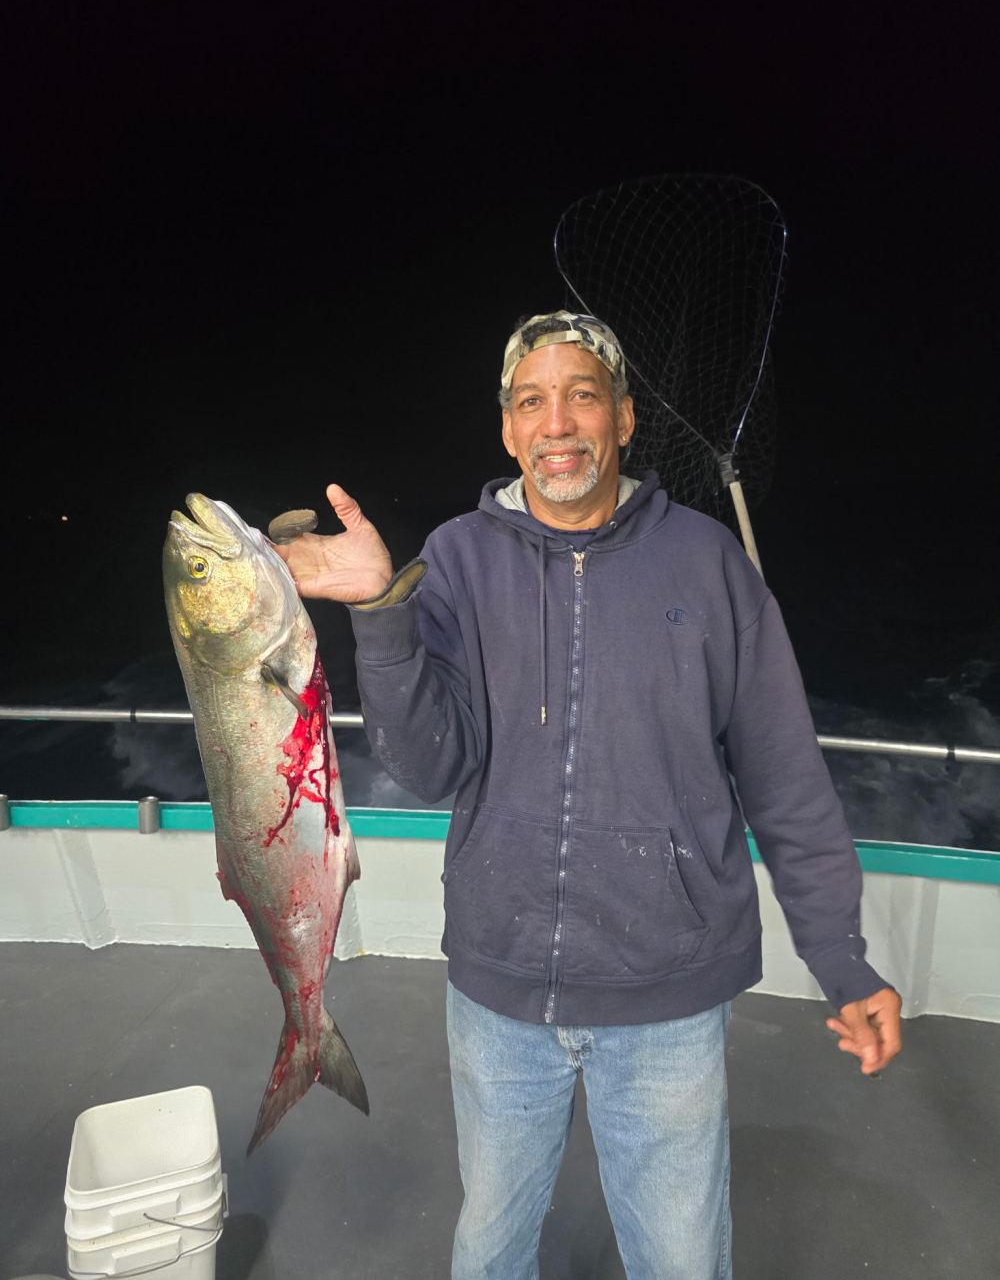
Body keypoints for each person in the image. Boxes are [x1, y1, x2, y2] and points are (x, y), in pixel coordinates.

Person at [277, 311, 902, 1280]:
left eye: (580, 395)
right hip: (501, 983)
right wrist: (381, 609)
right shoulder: (453, 557)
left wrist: (843, 960)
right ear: (506, 428)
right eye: (531, 400)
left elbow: (786, 777)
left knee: (681, 1255)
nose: (555, 421)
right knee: (489, 1246)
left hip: (668, 985)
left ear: (621, 419)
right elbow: (427, 766)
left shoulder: (708, 564)